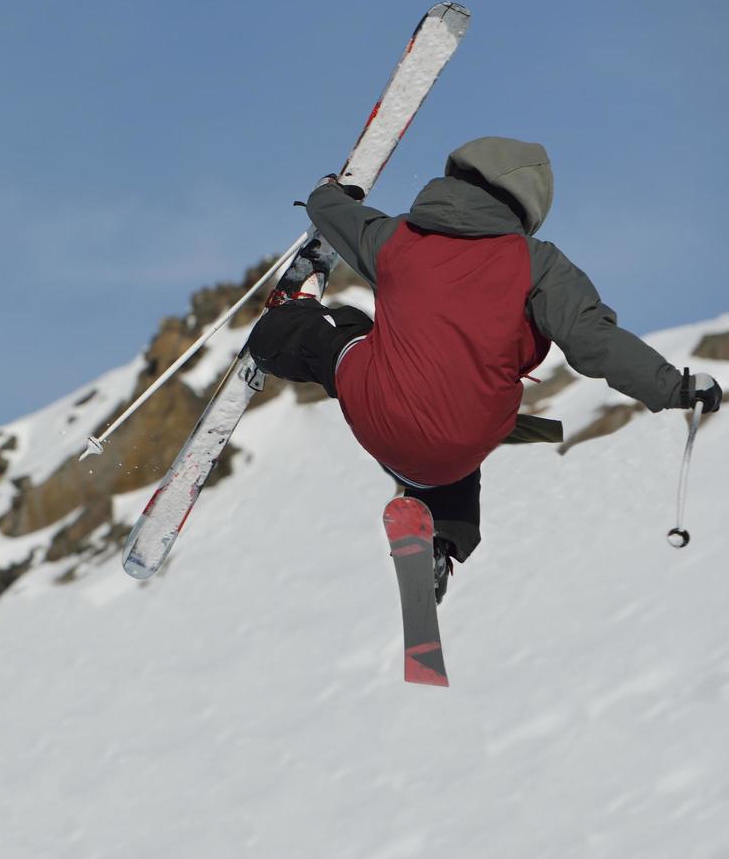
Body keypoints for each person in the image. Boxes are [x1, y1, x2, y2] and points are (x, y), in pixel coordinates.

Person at [247, 137, 722, 603]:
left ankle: (276, 331)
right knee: (461, 419)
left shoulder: (397, 238)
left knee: (344, 330)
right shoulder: (539, 265)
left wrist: (330, 192)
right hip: (459, 450)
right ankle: (444, 540)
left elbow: (333, 214)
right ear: (529, 208)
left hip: (385, 416)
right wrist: (674, 387)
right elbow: (595, 339)